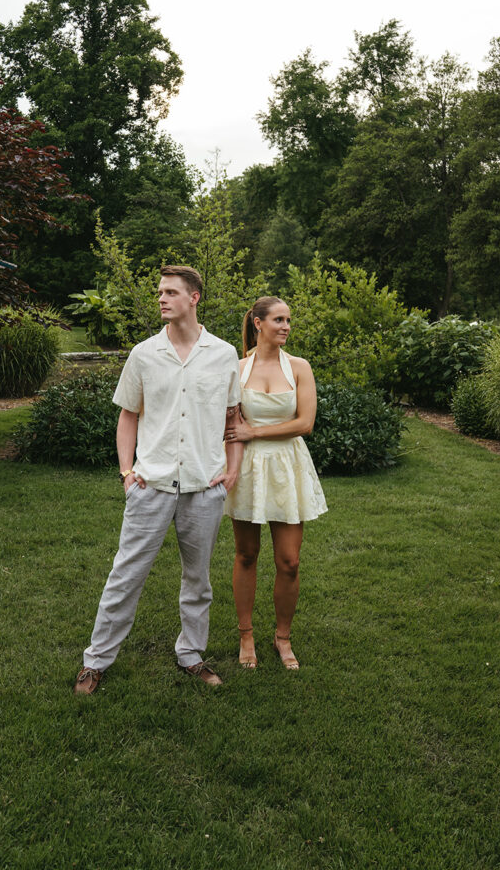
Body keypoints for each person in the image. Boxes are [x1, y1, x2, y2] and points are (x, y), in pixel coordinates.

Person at [74, 266, 243, 694]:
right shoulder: (144, 354)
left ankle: (191, 654)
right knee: (125, 574)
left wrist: (232, 470)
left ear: (194, 298)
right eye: (160, 292)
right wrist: (127, 471)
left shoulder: (223, 355)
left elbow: (232, 420)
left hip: (204, 489)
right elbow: (128, 415)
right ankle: (95, 662)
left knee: (198, 579)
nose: (162, 299)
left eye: (171, 292)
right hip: (151, 485)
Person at [223, 296, 327, 671]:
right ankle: (246, 634)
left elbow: (305, 423)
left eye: (288, 320)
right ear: (258, 323)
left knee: (290, 561)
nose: (285, 326)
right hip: (248, 468)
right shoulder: (237, 369)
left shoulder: (299, 367)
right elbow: (229, 425)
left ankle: (282, 637)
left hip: (288, 465)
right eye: (279, 320)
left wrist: (255, 431)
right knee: (246, 554)